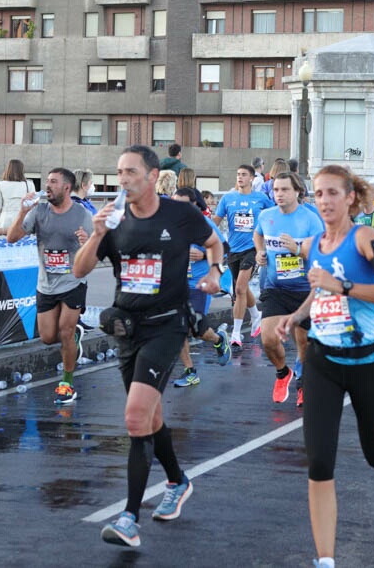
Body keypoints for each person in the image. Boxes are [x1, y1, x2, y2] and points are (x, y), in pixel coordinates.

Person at [73, 145, 225, 548]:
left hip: (167, 327)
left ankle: (128, 518)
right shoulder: (114, 218)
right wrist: (98, 234)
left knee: (136, 418)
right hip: (127, 328)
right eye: (119, 172)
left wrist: (214, 271)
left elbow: (214, 242)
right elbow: (80, 269)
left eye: (130, 172)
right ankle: (176, 480)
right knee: (150, 418)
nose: (122, 179)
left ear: (153, 176)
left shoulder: (180, 214)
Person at [274, 165, 374, 567]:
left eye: (333, 193)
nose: (325, 201)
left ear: (351, 197)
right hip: (322, 360)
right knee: (319, 461)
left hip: (368, 361)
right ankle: (326, 560)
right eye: (319, 194)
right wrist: (298, 316)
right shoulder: (314, 243)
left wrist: (346, 286)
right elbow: (320, 291)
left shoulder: (367, 238)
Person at [7, 168, 93, 405]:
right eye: (47, 181)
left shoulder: (81, 213)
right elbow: (11, 238)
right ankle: (75, 336)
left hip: (73, 280)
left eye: (53, 182)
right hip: (46, 283)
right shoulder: (39, 211)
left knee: (64, 331)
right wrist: (22, 211)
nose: (48, 185)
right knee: (47, 337)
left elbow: (98, 246)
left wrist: (88, 243)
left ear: (67, 187)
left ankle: (66, 383)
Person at [253, 172, 325, 406]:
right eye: (276, 190)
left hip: (305, 290)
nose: (279, 194)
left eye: (284, 189)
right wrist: (260, 252)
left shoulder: (310, 219)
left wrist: (297, 249)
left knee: (303, 344)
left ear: (297, 192)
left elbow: (321, 254)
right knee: (268, 339)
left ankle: (303, 383)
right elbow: (258, 234)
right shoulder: (266, 216)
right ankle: (283, 372)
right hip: (275, 288)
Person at [171, 187, 232, 388]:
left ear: (194, 205)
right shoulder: (168, 224)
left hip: (199, 284)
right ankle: (190, 371)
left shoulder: (203, 224)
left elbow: (225, 249)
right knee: (178, 328)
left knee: (195, 328)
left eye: (184, 204)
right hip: (176, 284)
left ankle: (218, 340)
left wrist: (204, 256)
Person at [213, 165, 273, 347]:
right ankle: (256, 315)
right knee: (242, 287)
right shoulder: (228, 198)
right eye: (238, 174)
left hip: (252, 248)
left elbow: (273, 216)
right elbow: (215, 223)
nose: (240, 177)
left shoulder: (261, 198)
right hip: (233, 249)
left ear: (252, 178)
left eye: (244, 175)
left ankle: (236, 333)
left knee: (239, 288)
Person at [0, 159, 32, 229]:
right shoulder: (29, 184)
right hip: (23, 220)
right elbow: (33, 205)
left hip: (5, 221)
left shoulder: (2, 184)